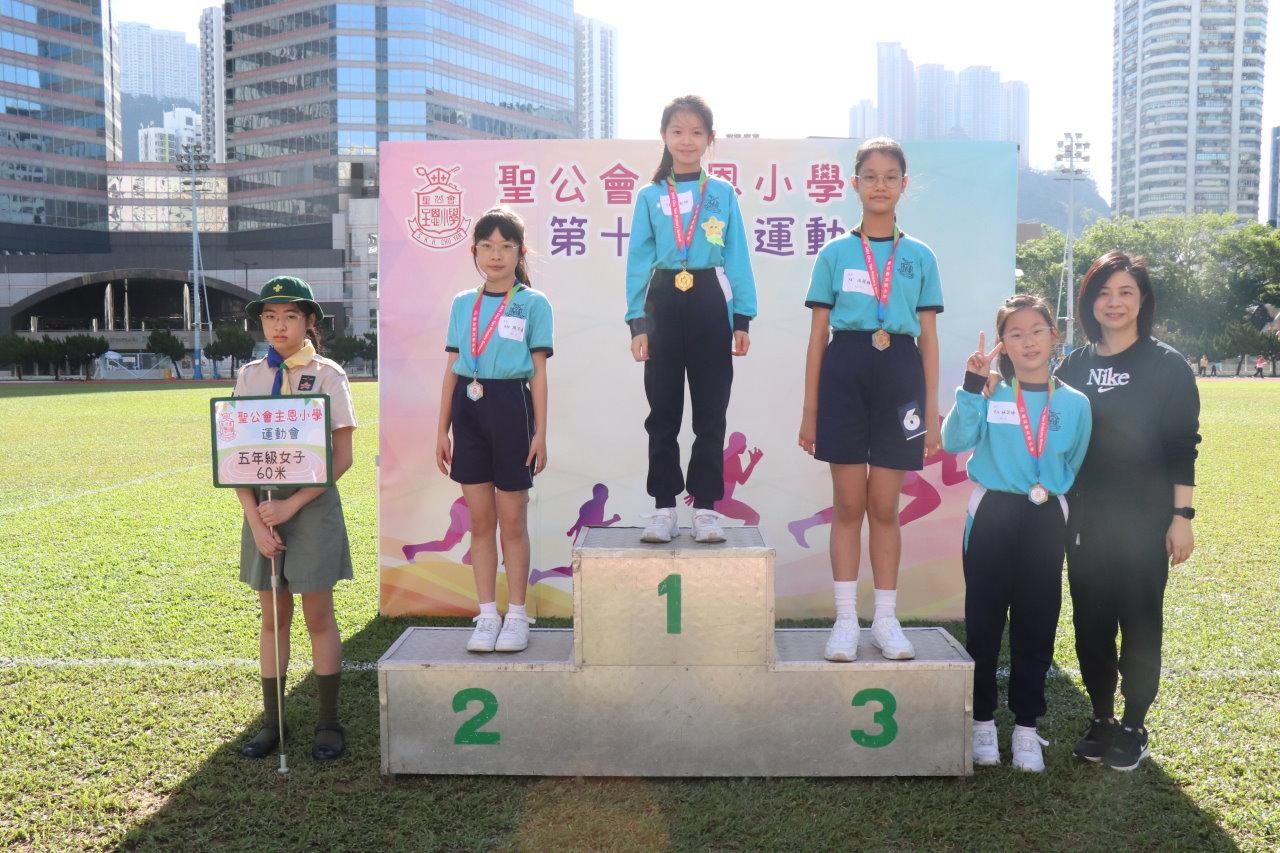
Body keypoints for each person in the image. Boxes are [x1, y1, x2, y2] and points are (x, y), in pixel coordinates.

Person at [799, 136, 944, 662]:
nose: (880, 185)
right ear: (853, 183)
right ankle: (845, 620)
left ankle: (885, 619)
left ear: (904, 185)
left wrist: (931, 414)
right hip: (844, 374)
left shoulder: (919, 256)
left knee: (884, 506)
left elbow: (929, 340)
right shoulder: (834, 253)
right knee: (847, 505)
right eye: (870, 176)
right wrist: (810, 410)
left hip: (900, 376)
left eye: (890, 177)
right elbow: (818, 337)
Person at [1054, 251, 1200, 771]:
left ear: (1143, 301)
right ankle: (1101, 718)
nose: (1113, 303)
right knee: (1091, 623)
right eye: (1103, 293)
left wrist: (1182, 517)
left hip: (1144, 519)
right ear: (1088, 302)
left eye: (1125, 292)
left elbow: (1183, 446)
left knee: (1140, 622)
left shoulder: (1167, 366)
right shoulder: (1072, 366)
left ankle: (1135, 724)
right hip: (1085, 520)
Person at [942, 295, 1091, 772]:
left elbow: (1074, 461)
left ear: (1055, 336)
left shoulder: (1075, 403)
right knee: (984, 622)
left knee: (1037, 621)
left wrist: (1049, 491)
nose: (1028, 342)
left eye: (1037, 330)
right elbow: (954, 441)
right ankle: (982, 722)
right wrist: (971, 386)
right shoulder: (990, 393)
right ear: (1002, 344)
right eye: (1016, 334)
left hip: (1046, 516)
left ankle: (1026, 727)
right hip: (993, 512)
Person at [233, 276, 357, 762]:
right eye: (270, 317)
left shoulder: (328, 375)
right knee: (272, 618)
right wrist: (256, 519)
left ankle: (328, 722)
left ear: (309, 322)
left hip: (311, 507)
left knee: (317, 616)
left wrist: (292, 505)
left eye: (289, 316)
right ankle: (273, 722)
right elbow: (233, 457)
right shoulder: (249, 376)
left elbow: (342, 457)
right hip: (262, 509)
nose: (278, 326)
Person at [625, 94, 757, 544]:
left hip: (709, 302)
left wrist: (742, 318)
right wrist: (637, 323)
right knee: (662, 412)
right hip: (662, 301)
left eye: (696, 132)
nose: (687, 140)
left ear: (709, 138)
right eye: (678, 131)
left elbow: (736, 256)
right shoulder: (649, 196)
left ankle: (705, 508)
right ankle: (663, 508)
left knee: (710, 412)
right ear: (664, 136)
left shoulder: (721, 194)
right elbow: (638, 261)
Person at [436, 208, 554, 654]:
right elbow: (451, 369)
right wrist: (441, 429)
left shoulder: (533, 303)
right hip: (468, 410)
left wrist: (540, 433)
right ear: (475, 251)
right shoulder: (462, 304)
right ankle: (487, 614)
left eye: (506, 246)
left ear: (521, 252)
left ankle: (517, 615)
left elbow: (538, 374)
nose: (496, 255)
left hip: (511, 408)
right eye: (487, 246)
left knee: (513, 521)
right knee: (480, 522)